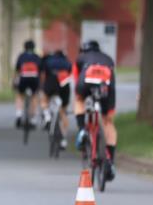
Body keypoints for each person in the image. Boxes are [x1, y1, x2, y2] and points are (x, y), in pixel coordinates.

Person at [74, 39, 117, 181]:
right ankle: (110, 161)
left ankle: (81, 131)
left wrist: (80, 94)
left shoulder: (81, 58)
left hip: (86, 83)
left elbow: (76, 78)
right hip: (106, 87)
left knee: (79, 100)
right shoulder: (108, 59)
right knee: (108, 122)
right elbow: (113, 82)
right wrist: (110, 109)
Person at [40, 49, 73, 148]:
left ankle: (47, 116)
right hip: (64, 84)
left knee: (44, 99)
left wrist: (42, 86)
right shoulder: (66, 62)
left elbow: (43, 74)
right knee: (64, 112)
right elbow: (70, 73)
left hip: (51, 82)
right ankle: (63, 139)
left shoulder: (48, 60)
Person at [13, 40, 41, 128]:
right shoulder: (37, 57)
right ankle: (33, 119)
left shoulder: (21, 56)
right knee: (34, 96)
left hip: (23, 78)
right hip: (34, 78)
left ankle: (19, 115)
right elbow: (40, 70)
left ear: (24, 47)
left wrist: (14, 81)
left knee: (19, 95)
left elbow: (17, 70)